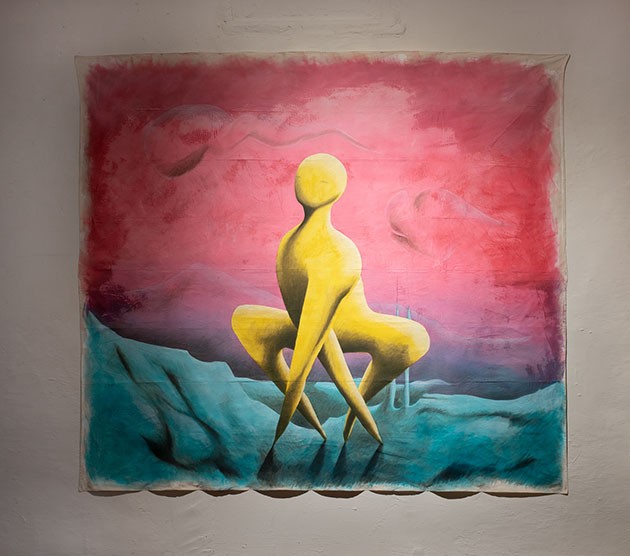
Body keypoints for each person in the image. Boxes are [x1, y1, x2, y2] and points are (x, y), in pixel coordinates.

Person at [232, 153, 430, 444]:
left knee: (415, 338)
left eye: (321, 181)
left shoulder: (339, 252)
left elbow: (316, 336)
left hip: (353, 326)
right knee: (244, 319)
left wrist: (287, 419)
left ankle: (354, 415)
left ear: (336, 191)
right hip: (310, 327)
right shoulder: (290, 242)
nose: (307, 184)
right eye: (302, 177)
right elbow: (310, 327)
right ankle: (346, 413)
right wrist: (293, 401)